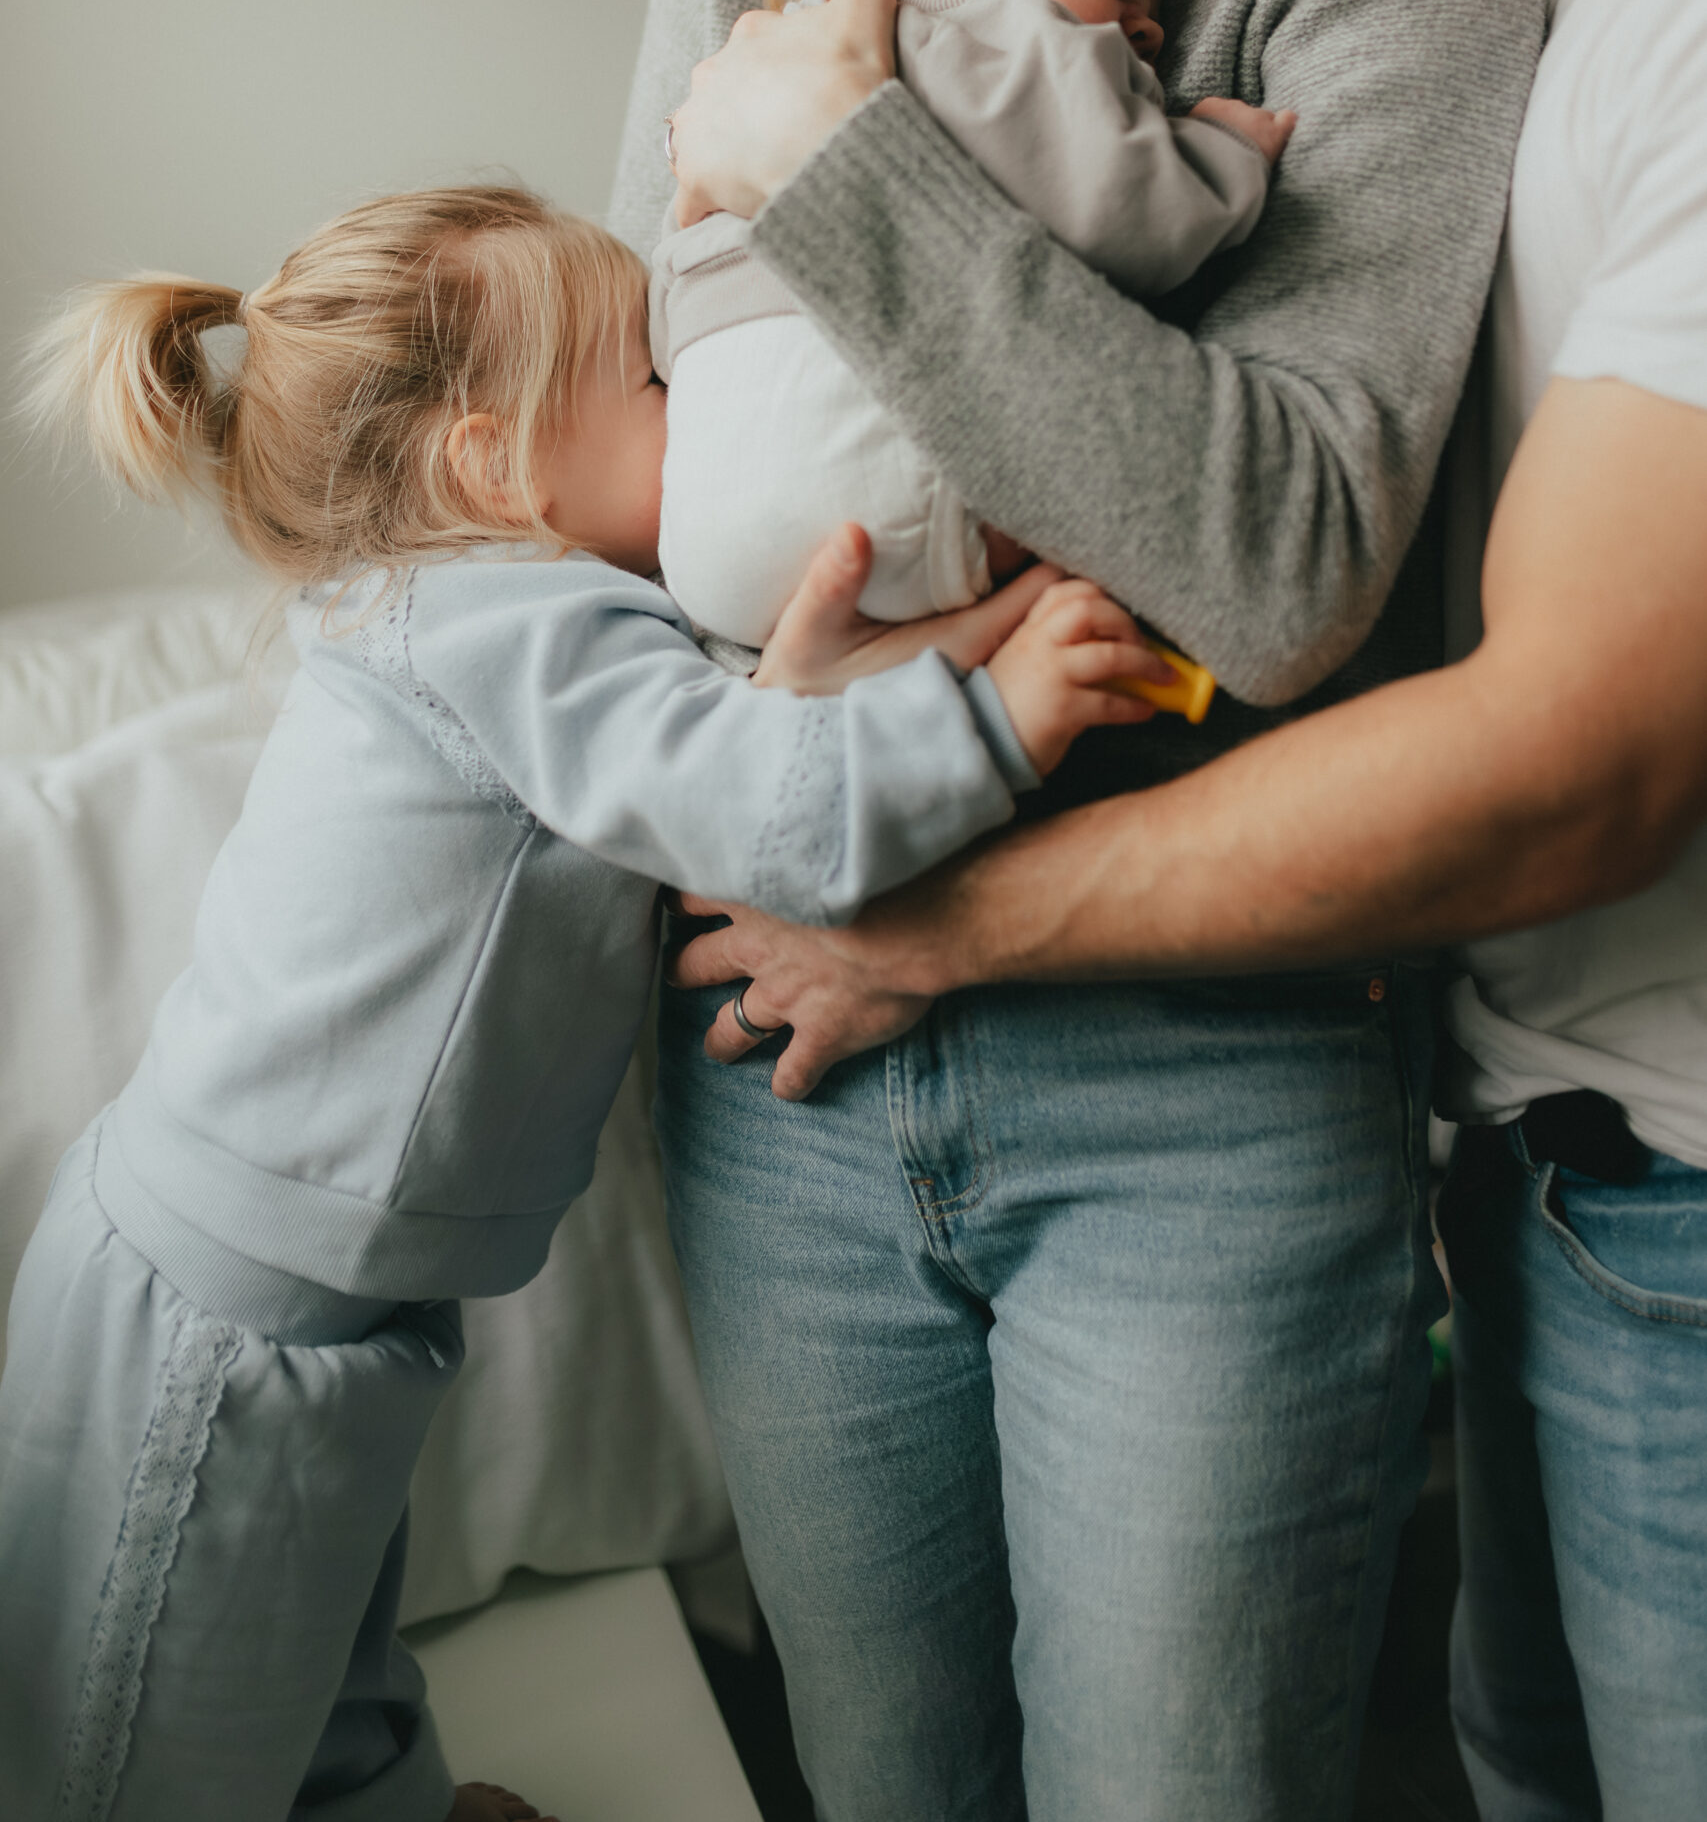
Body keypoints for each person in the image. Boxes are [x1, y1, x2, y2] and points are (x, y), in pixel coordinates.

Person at [664, 0, 1707, 1817]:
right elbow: (661, 495)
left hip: (1224, 1079)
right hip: (783, 1057)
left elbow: (1273, 557)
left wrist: (846, 170)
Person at [0, 183, 1143, 1822]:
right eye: (654, 379)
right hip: (222, 1317)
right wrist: (1001, 721)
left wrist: (947, 648)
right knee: (150, 1732)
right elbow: (766, 808)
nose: (697, 404)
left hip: (306, 1289)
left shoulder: (464, 612)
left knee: (313, 1631)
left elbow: (742, 731)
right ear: (493, 467)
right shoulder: (513, 623)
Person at [654, 0, 1288, 645]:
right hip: (869, 489)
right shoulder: (993, 33)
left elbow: (668, 307)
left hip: (705, 548)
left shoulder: (750, 68)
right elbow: (1128, 209)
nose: (1149, 31)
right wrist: (1222, 150)